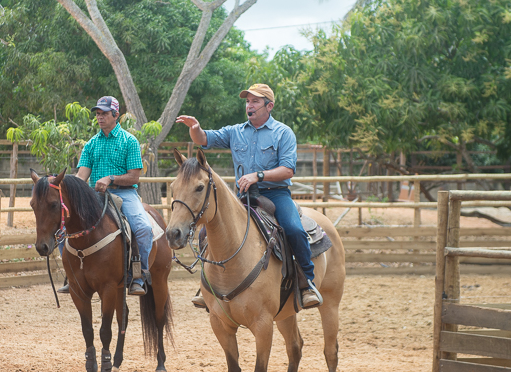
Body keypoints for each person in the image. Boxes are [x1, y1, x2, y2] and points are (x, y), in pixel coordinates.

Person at [175, 83, 322, 309]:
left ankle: (306, 283)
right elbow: (203, 139)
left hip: (276, 194)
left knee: (293, 228)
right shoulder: (235, 131)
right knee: (206, 231)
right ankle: (207, 286)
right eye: (247, 101)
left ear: (269, 106)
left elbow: (288, 170)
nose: (249, 105)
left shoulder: (283, 133)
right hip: (242, 196)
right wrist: (195, 128)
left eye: (255, 101)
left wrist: (258, 176)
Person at [58, 95, 154, 297]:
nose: (100, 117)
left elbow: (134, 176)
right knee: (62, 229)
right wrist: (70, 188)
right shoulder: (91, 144)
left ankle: (139, 275)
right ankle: (72, 273)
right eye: (98, 114)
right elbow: (82, 175)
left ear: (116, 115)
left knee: (144, 228)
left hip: (125, 193)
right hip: (95, 195)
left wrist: (111, 178)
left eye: (104, 113)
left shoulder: (130, 141)